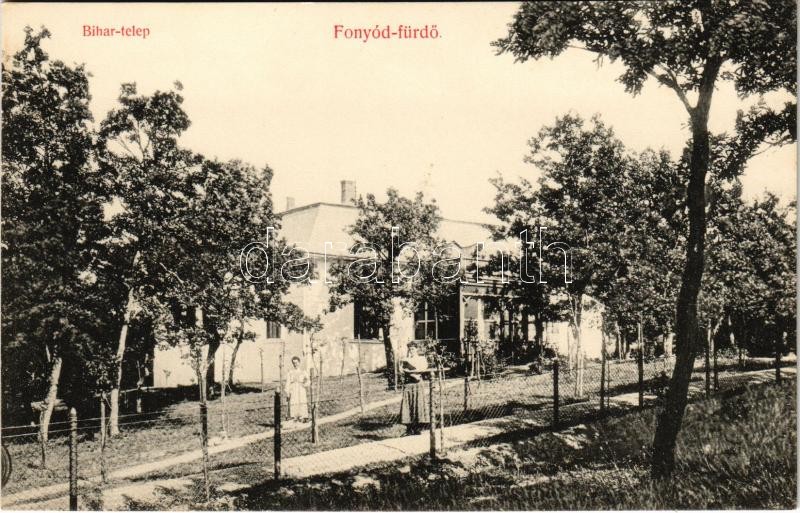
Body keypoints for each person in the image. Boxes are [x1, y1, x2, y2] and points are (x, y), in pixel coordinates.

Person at [399, 343, 430, 435]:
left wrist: (413, 373)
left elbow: (423, 369)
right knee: (408, 403)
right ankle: (409, 428)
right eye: (409, 349)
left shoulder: (421, 359)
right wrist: (407, 372)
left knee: (418, 403)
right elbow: (402, 370)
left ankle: (418, 428)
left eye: (412, 349)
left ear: (416, 349)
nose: (411, 351)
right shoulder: (406, 359)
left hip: (417, 383)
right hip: (408, 384)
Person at [284, 356, 309, 422]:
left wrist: (304, 384)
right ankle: (294, 417)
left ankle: (302, 417)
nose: (295, 364)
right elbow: (288, 382)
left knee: (302, 401)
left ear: (299, 362)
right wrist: (287, 392)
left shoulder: (303, 372)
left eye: (296, 362)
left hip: (301, 389)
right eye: (294, 363)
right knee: (294, 402)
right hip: (293, 389)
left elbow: (308, 380)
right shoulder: (290, 372)